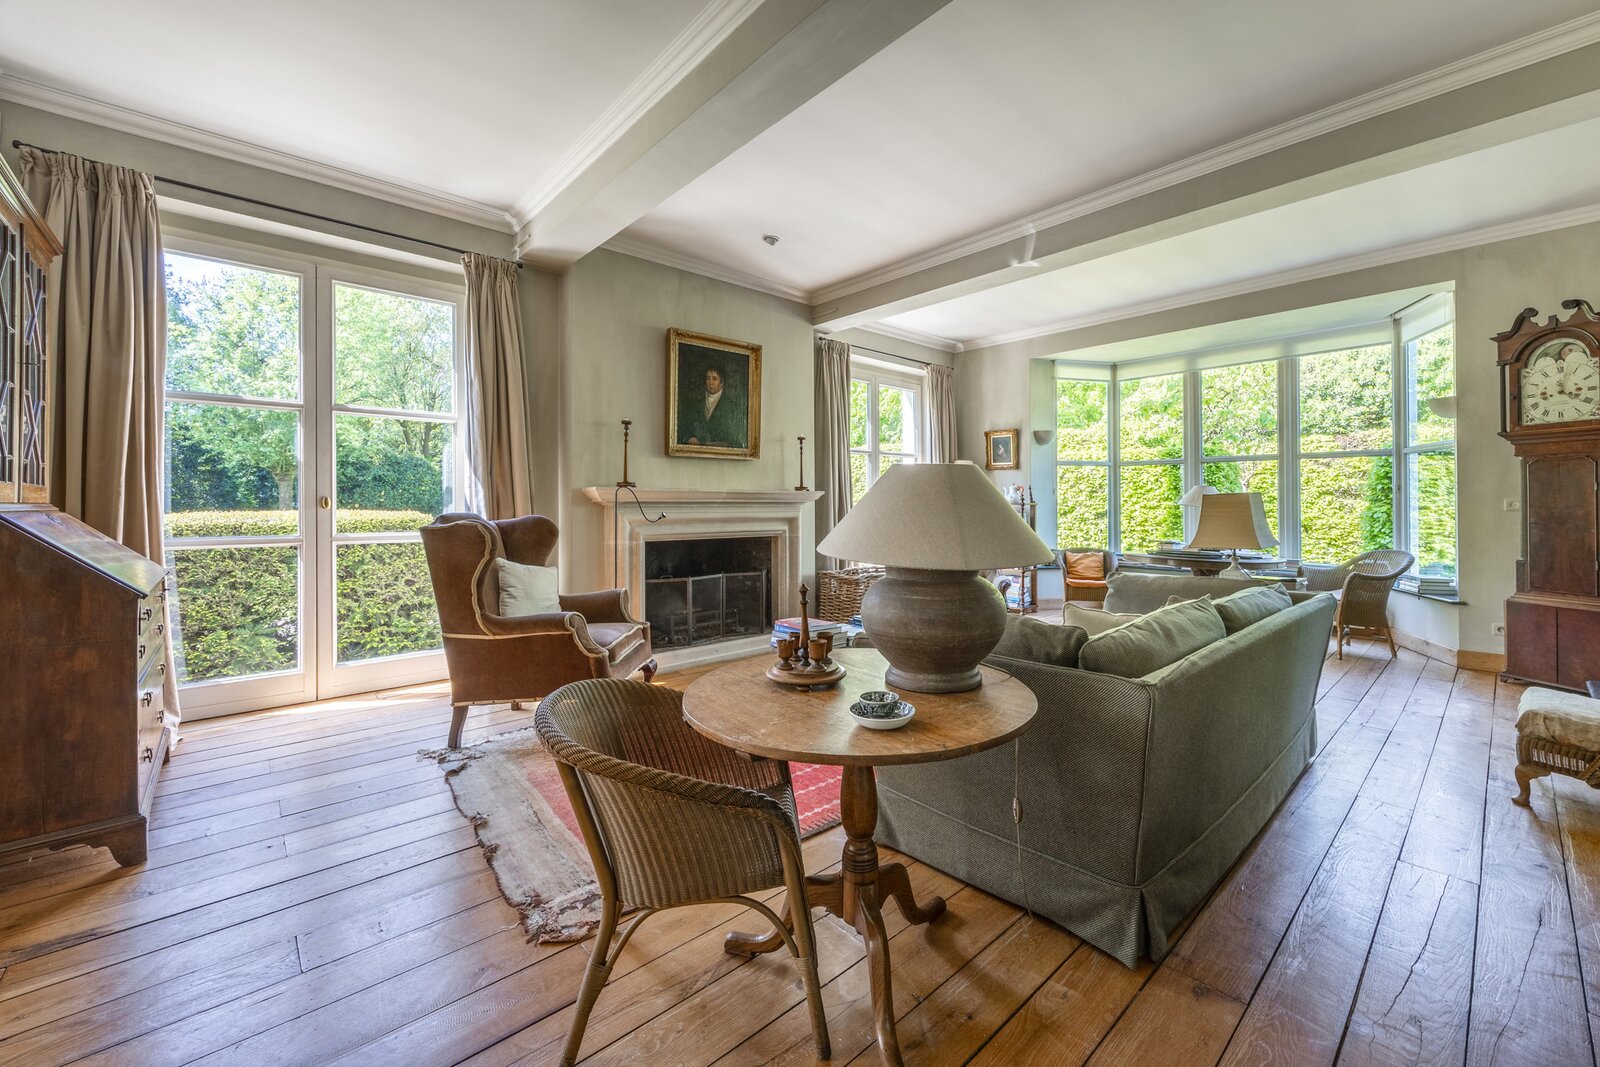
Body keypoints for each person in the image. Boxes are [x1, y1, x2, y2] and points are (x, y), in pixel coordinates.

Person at [680, 361, 747, 448]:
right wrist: (690, 438)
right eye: (708, 378)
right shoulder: (696, 404)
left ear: (721, 383)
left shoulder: (731, 406)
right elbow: (685, 429)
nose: (710, 382)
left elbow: (736, 439)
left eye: (714, 379)